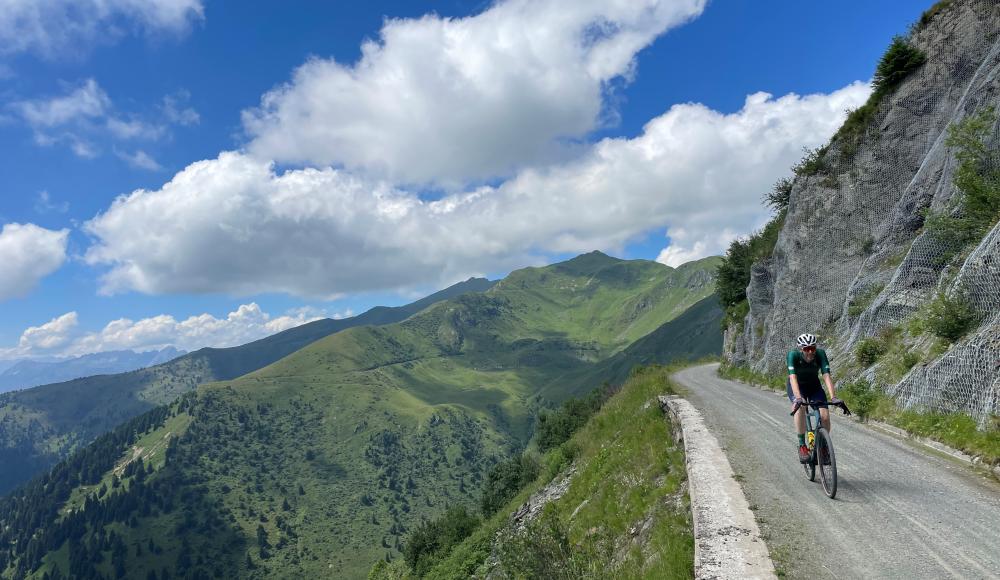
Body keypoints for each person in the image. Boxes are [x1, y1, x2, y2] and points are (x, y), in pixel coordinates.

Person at [787, 333, 841, 463]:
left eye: (812, 348)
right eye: (806, 349)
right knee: (800, 407)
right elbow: (793, 378)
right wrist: (798, 398)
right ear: (801, 349)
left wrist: (833, 397)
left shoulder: (820, 354)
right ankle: (802, 446)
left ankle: (822, 447)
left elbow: (826, 375)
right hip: (797, 387)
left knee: (825, 417)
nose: (810, 352)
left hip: (814, 387)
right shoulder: (792, 355)